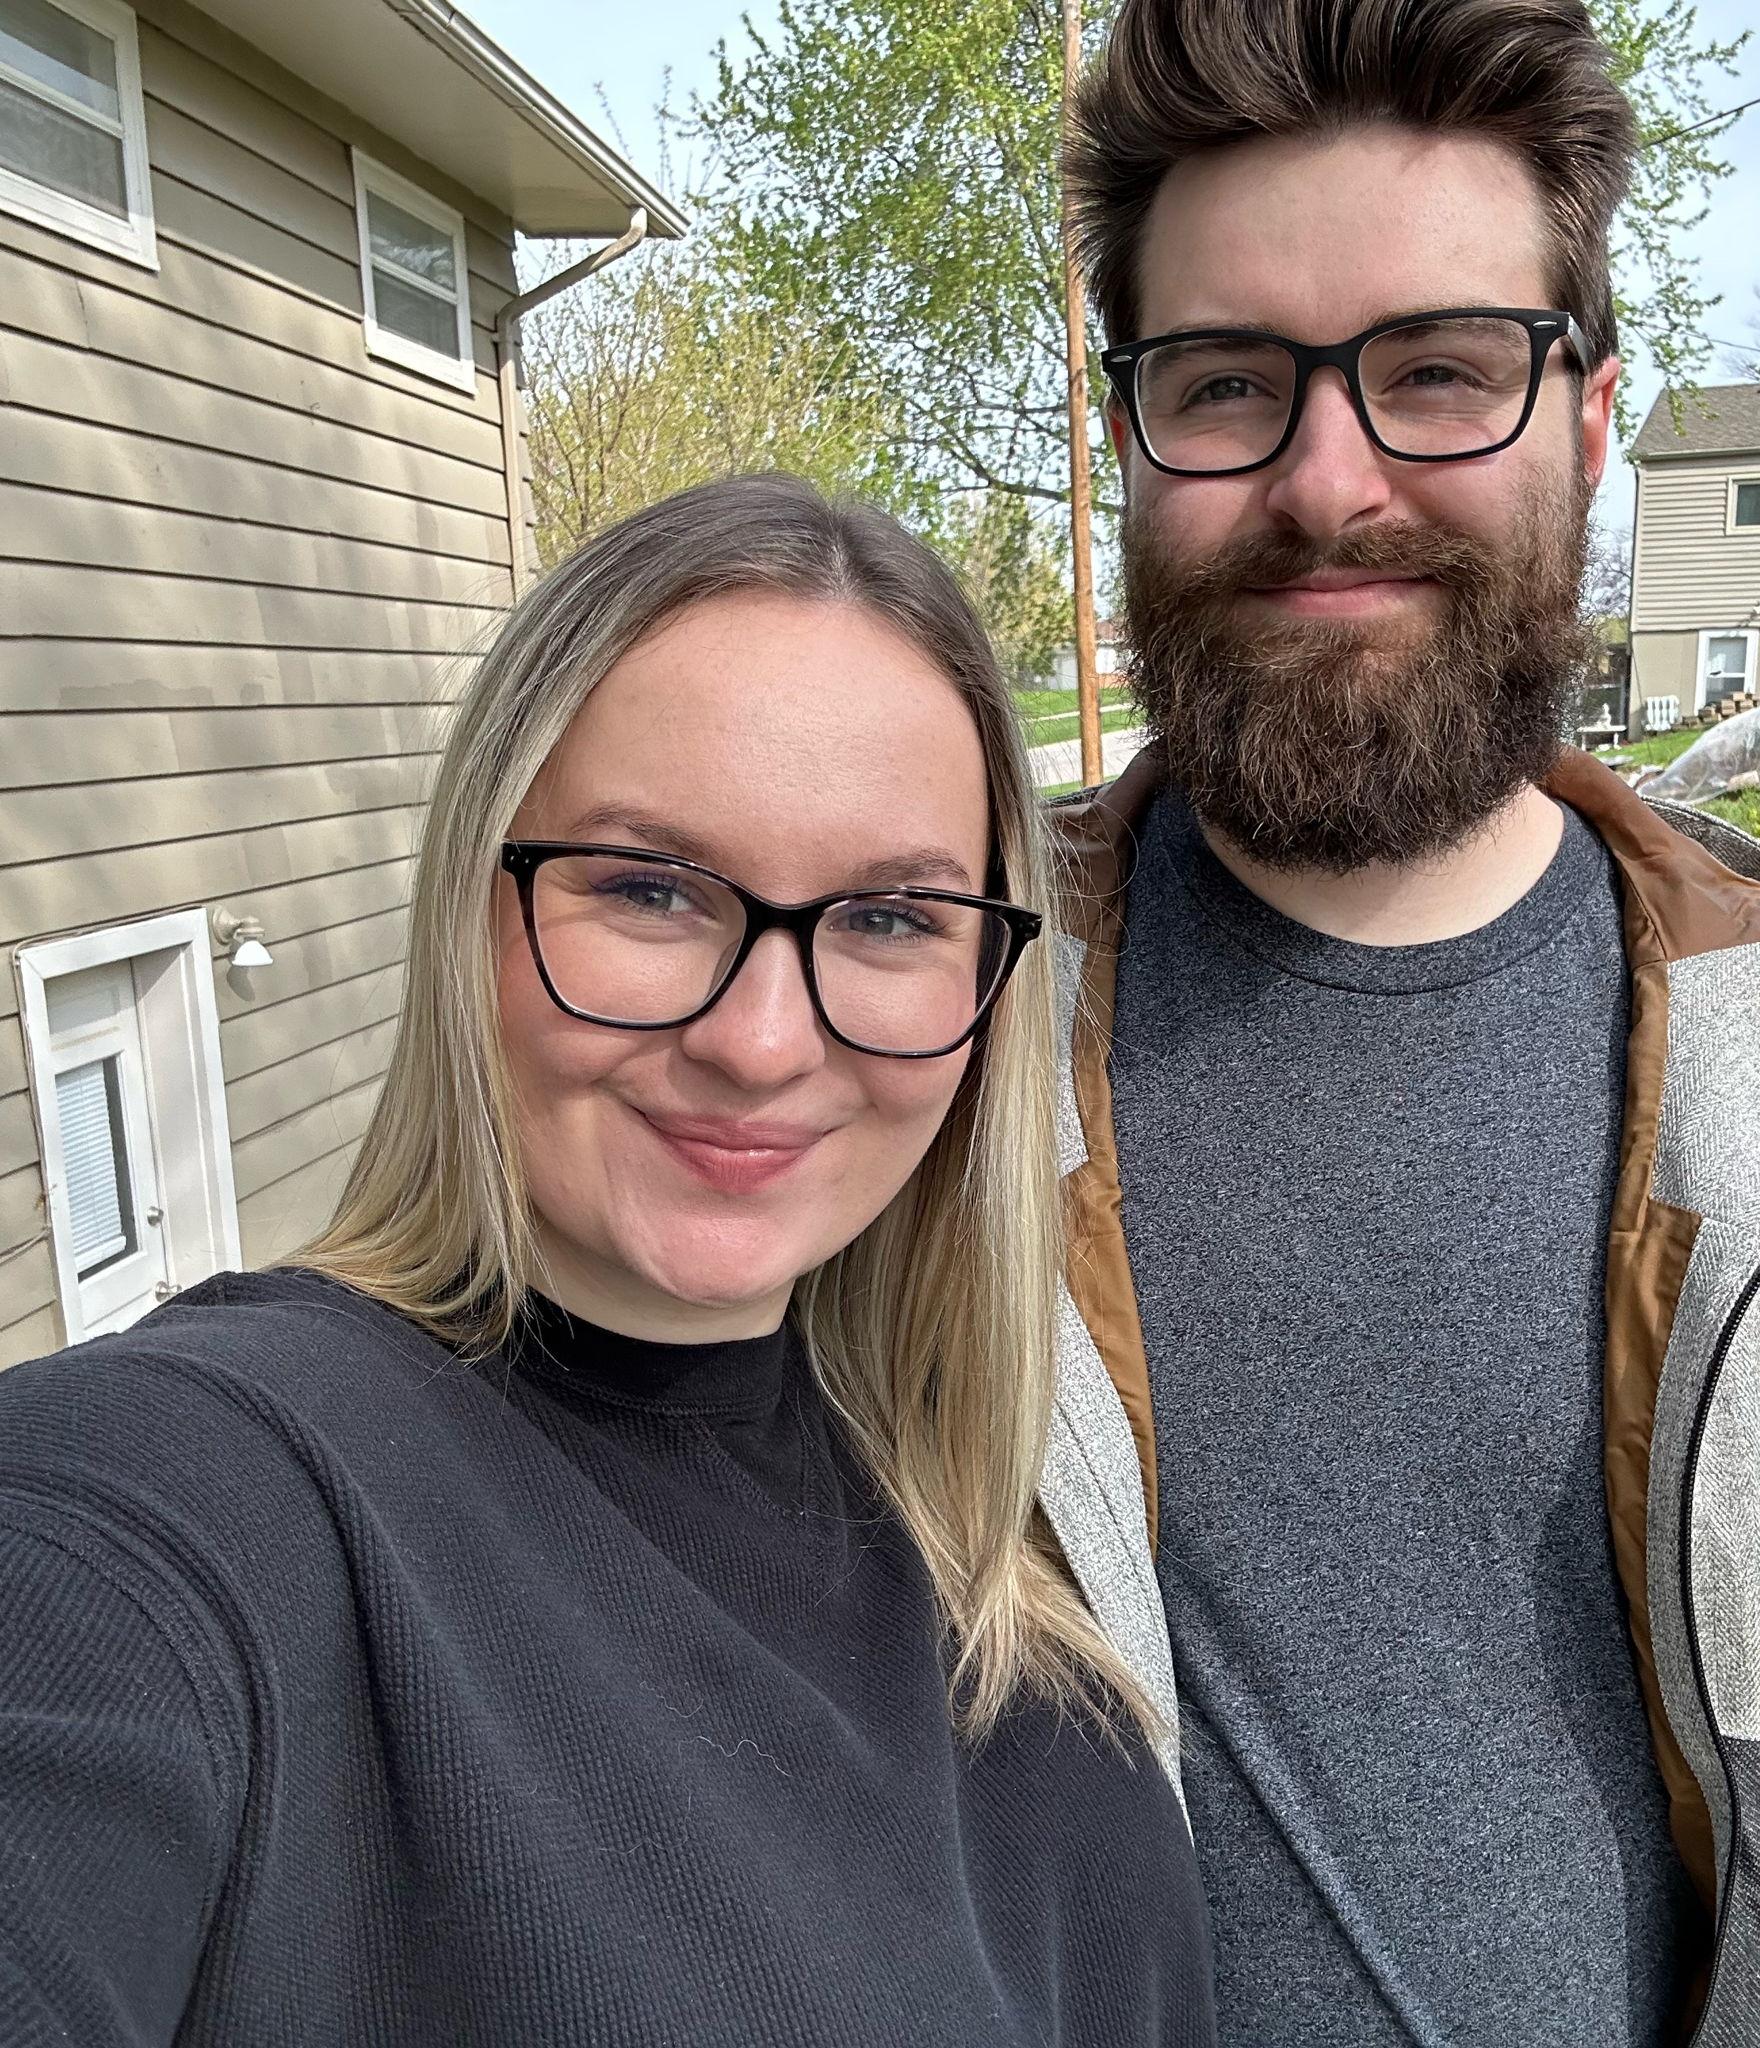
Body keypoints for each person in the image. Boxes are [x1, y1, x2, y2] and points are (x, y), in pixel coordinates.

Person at [1024, 3, 1760, 2045]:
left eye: (1438, 371)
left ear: (1586, 420)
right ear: (1127, 434)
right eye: (1225, 382)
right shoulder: (904, 1033)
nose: (1329, 482)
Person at [0, 475, 1216, 2046]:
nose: (760, 1042)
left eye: (890, 920)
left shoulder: (1027, 1641)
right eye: (648, 889)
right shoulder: (185, 1491)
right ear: (475, 905)